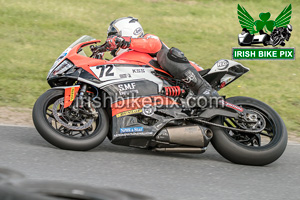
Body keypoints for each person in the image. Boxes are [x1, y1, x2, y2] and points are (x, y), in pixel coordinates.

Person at [105, 17, 219, 103]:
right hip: (158, 92)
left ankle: (204, 88)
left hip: (190, 75)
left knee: (165, 54)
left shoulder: (148, 40)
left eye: (114, 36)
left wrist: (125, 42)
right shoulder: (123, 58)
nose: (111, 41)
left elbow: (154, 45)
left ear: (126, 33)